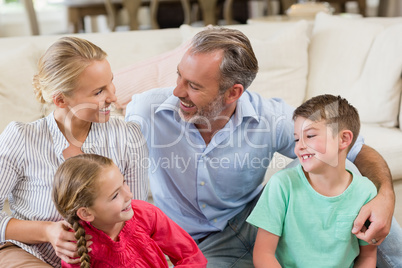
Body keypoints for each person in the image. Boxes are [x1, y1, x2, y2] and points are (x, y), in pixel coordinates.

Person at [125, 26, 401, 267]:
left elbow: (357, 151)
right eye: (179, 77)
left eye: (194, 86)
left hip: (263, 220)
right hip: (199, 245)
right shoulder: (149, 110)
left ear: (233, 92)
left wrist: (386, 197)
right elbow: (97, 165)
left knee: (338, 161)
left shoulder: (268, 117)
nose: (177, 91)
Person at [0, 37, 148, 268]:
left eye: (111, 83)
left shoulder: (127, 136)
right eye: (98, 92)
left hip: (104, 257)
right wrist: (47, 231)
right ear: (60, 99)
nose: (113, 97)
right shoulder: (21, 138)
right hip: (30, 252)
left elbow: (136, 214)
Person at [247, 94, 377, 267]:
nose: (299, 146)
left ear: (343, 139)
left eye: (309, 136)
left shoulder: (365, 191)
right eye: (296, 138)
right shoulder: (282, 185)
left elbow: (367, 256)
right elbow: (264, 254)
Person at [52, 153, 207, 268]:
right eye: (115, 196)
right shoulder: (75, 247)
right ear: (86, 213)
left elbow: (191, 256)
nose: (129, 195)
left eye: (124, 183)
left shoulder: (146, 214)